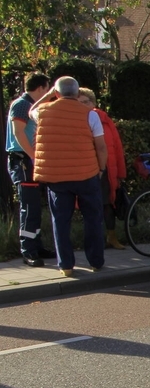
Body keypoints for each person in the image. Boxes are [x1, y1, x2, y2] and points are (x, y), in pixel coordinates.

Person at [30, 76, 106, 277]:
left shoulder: (43, 112)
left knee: (61, 220)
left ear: (55, 93)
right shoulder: (90, 115)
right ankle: (96, 261)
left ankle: (66, 265)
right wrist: (101, 169)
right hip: (86, 174)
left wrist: (46, 96)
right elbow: (100, 146)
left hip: (57, 177)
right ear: (77, 93)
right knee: (93, 218)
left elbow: (31, 111)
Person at [5, 73, 54, 266]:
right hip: (23, 160)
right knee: (28, 206)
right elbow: (18, 133)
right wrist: (33, 155)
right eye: (48, 89)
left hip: (29, 160)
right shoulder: (22, 104)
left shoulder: (29, 105)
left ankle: (36, 245)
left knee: (34, 206)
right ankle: (28, 250)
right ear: (41, 88)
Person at [78, 88, 126, 249]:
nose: (84, 105)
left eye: (86, 101)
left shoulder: (104, 119)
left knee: (108, 204)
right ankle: (94, 241)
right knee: (90, 206)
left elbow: (116, 147)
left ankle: (111, 237)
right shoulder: (76, 120)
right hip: (86, 170)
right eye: (80, 102)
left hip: (105, 170)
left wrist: (120, 172)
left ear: (93, 102)